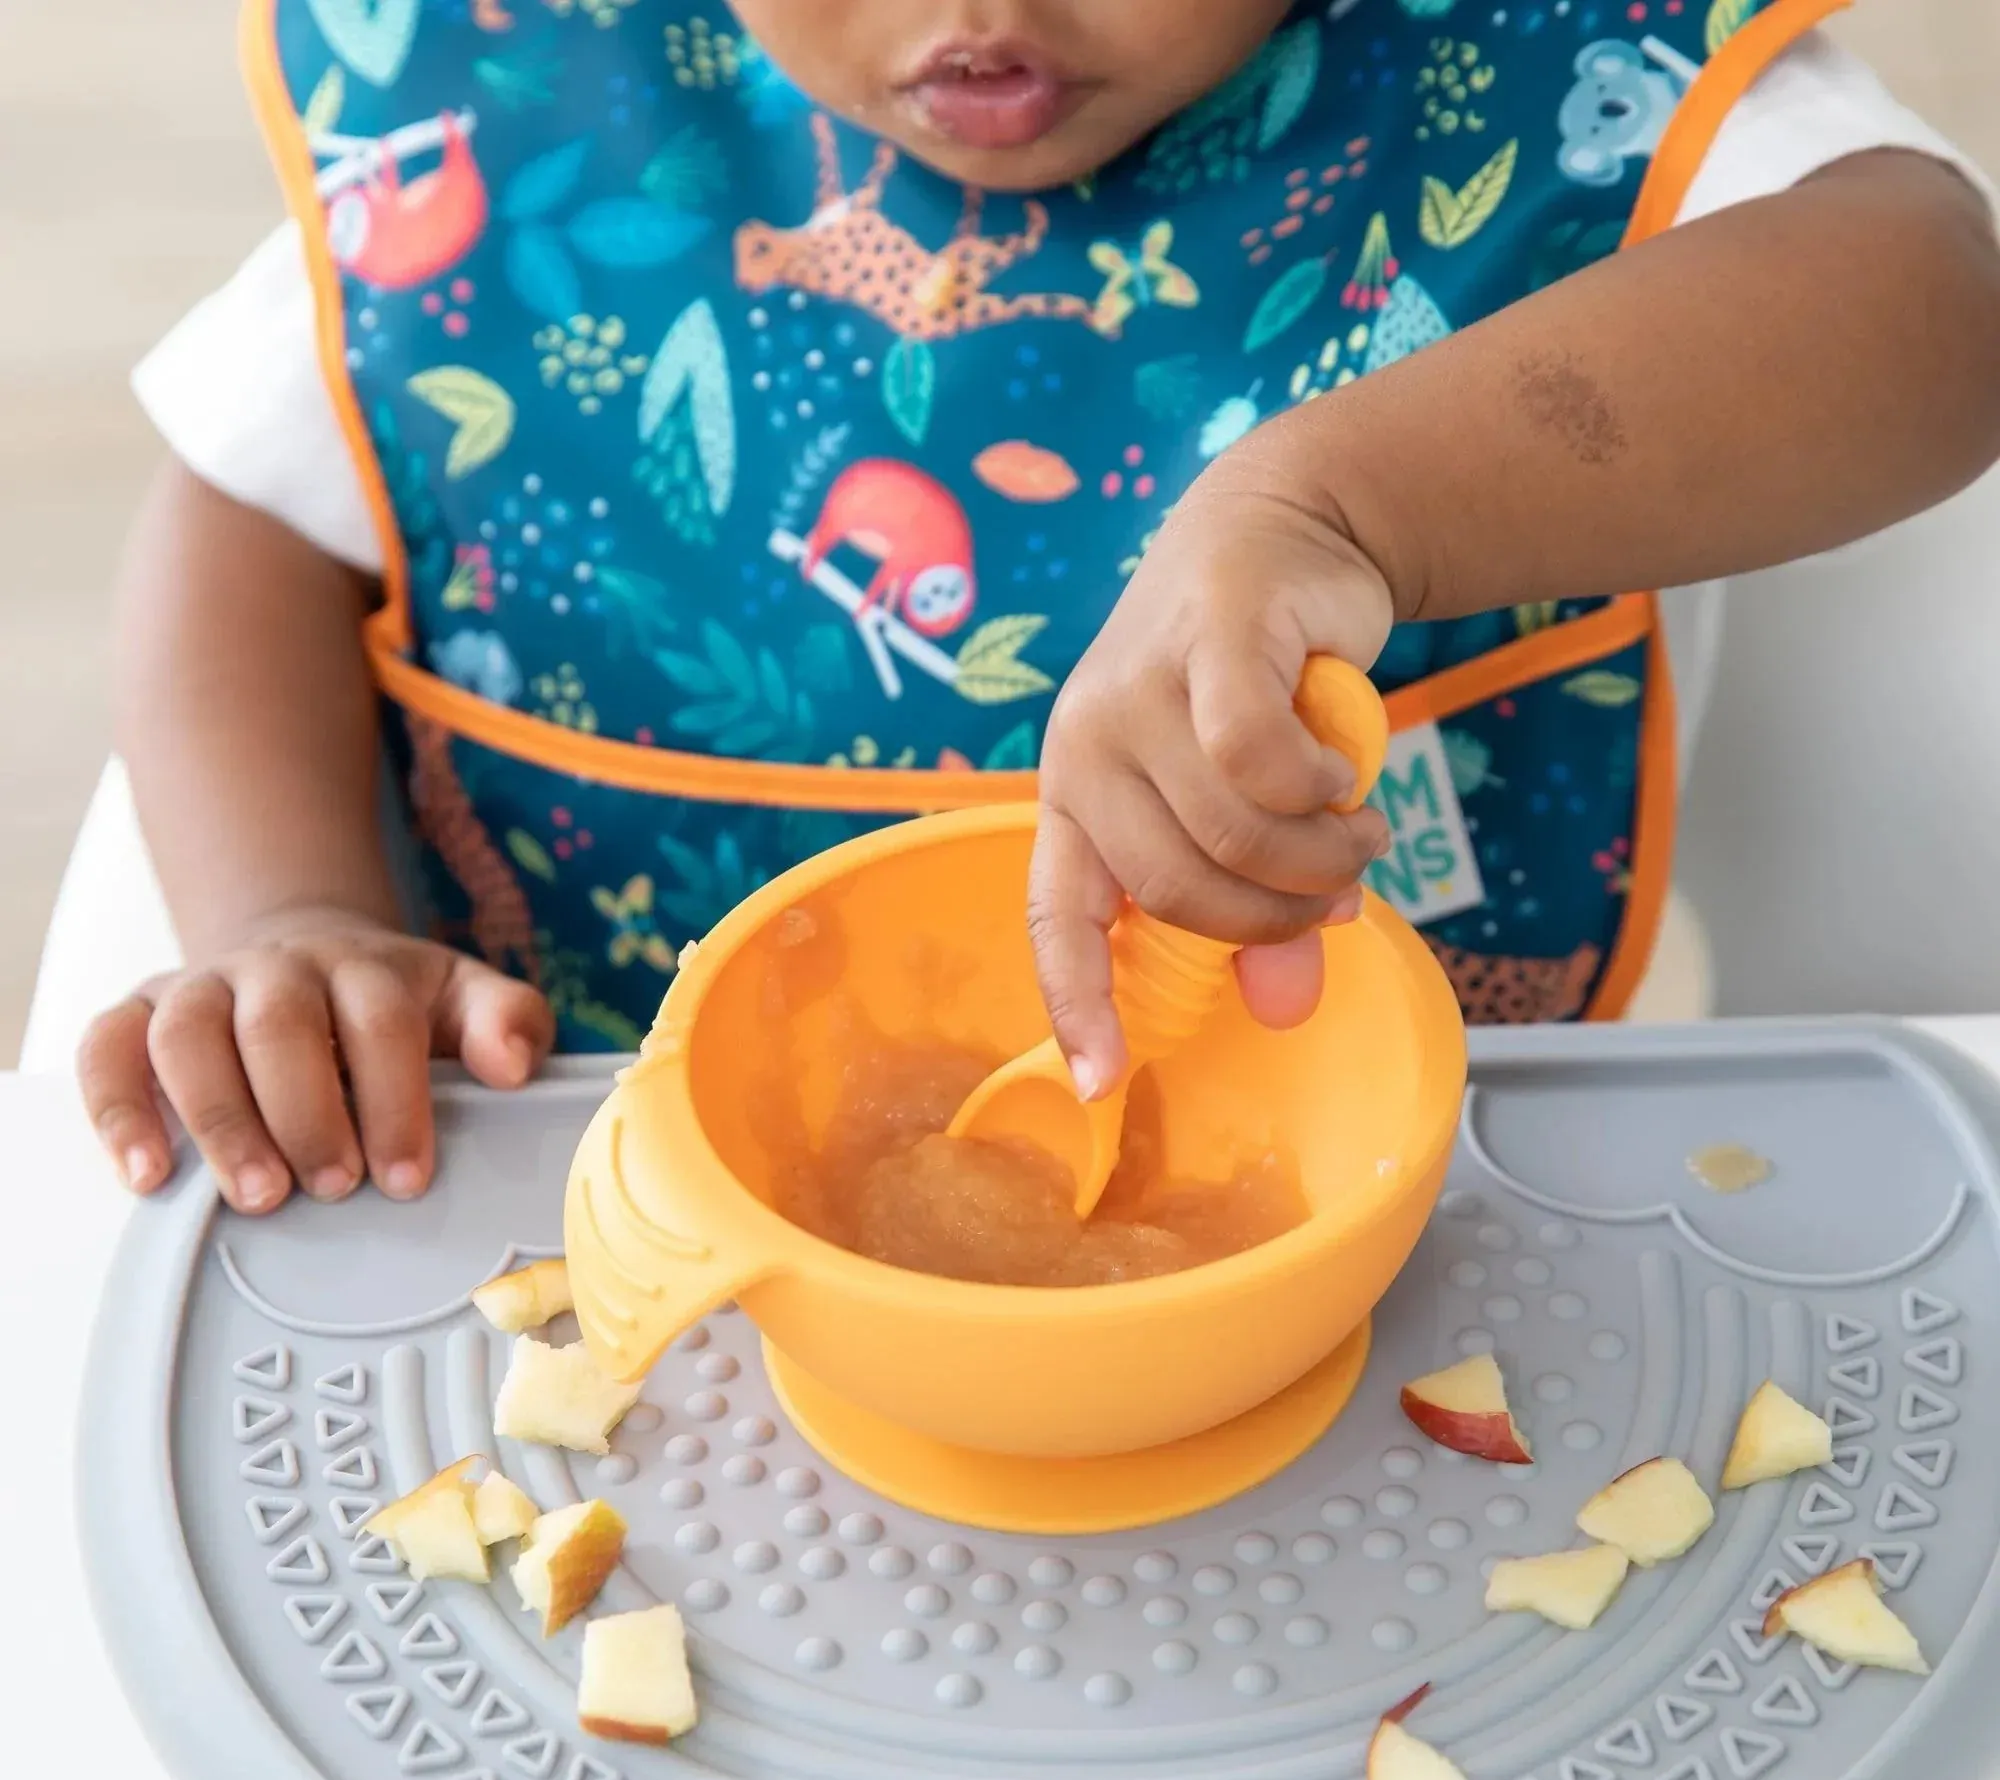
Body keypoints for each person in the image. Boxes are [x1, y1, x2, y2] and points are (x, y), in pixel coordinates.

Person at [79, 0, 2000, 1212]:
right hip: (572, 1151)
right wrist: (291, 911)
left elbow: (1933, 305)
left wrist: (1342, 500)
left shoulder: (1527, 49)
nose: (974, 6)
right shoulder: (516, 77)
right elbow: (253, 517)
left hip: (1479, 1164)